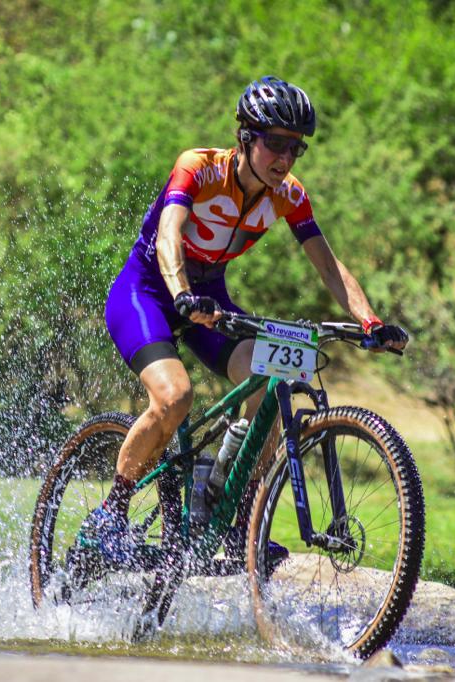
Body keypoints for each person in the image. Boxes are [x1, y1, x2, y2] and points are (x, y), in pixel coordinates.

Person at [82, 76, 408, 564]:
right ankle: (108, 515)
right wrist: (182, 294)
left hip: (209, 299)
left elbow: (327, 264)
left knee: (267, 380)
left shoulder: (288, 196)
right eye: (275, 144)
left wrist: (369, 322)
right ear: (246, 137)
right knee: (175, 396)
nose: (285, 158)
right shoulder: (200, 168)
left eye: (295, 148)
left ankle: (232, 516)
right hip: (148, 291)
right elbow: (170, 234)